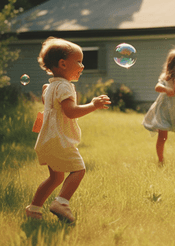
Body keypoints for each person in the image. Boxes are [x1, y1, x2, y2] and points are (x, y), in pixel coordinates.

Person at [25, 37, 111, 223]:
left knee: (55, 178)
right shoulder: (64, 86)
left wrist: (45, 92)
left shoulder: (51, 86)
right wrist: (93, 104)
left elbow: (48, 104)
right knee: (79, 170)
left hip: (47, 139)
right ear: (63, 64)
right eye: (78, 61)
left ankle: (34, 209)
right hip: (60, 140)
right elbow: (71, 112)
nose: (82, 65)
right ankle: (61, 203)